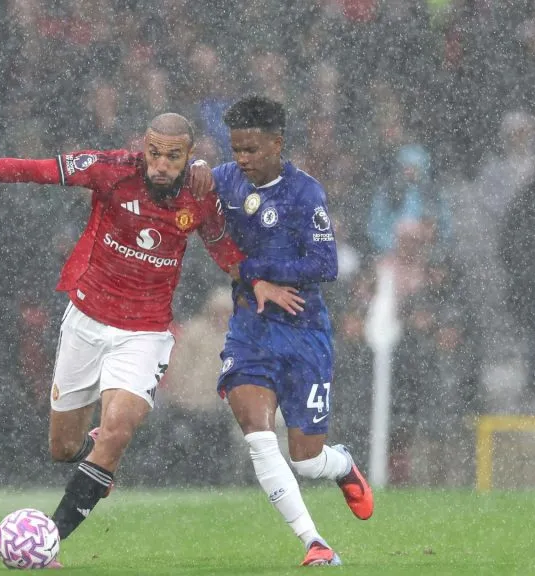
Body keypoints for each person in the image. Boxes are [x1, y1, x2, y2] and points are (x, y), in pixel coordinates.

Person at [0, 113, 303, 565]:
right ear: (144, 148)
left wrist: (259, 281)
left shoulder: (200, 196)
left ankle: (52, 539)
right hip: (86, 320)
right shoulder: (111, 170)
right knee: (62, 447)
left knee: (118, 431)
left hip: (144, 333)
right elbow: (40, 170)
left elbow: (224, 248)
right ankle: (95, 464)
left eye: (174, 156)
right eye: (155, 153)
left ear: (189, 156)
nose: (161, 165)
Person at [210, 96, 374, 567]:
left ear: (277, 143)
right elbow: (194, 196)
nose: (242, 159)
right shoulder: (224, 180)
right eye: (236, 149)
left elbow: (326, 264)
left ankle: (341, 465)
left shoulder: (306, 194)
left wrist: (259, 269)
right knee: (258, 436)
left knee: (305, 459)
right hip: (250, 328)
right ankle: (314, 543)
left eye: (252, 150)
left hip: (303, 331)